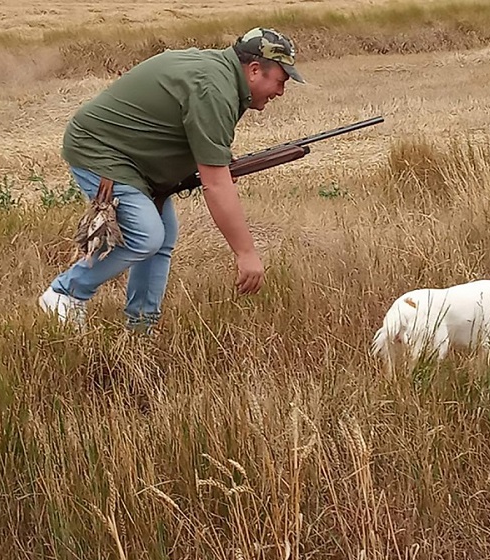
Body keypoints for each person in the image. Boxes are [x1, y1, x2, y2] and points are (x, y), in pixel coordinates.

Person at [38, 27, 305, 333]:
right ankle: (65, 293)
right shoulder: (213, 88)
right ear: (255, 70)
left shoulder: (219, 77)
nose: (281, 91)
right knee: (146, 236)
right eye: (281, 81)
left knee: (161, 236)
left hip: (132, 160)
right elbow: (215, 184)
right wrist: (246, 253)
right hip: (102, 153)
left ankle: (140, 329)